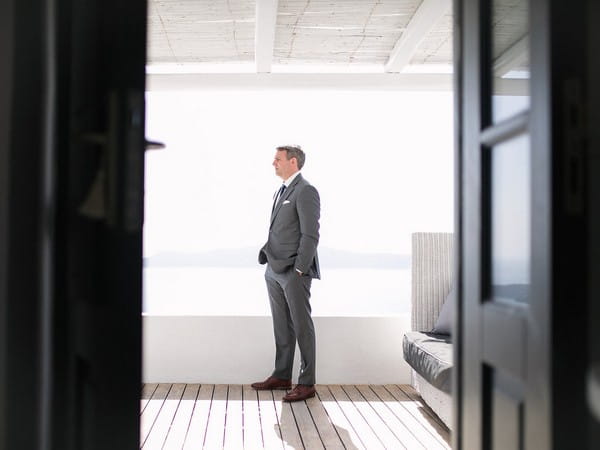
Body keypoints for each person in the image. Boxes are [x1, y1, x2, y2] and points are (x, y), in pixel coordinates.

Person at [251, 145, 321, 402]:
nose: (273, 163)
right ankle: (282, 375)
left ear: (293, 162)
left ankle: (307, 382)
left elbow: (310, 234)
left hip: (294, 271)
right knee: (282, 325)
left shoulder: (306, 191)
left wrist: (300, 268)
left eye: (277, 159)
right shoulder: (281, 191)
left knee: (302, 326)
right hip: (273, 268)